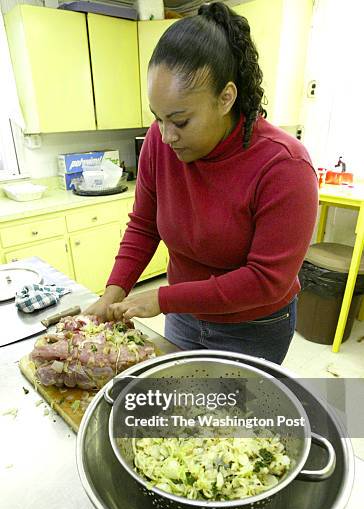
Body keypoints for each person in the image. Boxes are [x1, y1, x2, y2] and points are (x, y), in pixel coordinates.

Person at [85, 2, 318, 365]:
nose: (166, 136)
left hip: (254, 326)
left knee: (233, 420)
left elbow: (265, 280)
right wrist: (112, 293)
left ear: (226, 98)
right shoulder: (159, 144)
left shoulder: (285, 166)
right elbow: (144, 227)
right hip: (185, 316)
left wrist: (164, 299)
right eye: (158, 119)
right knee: (182, 409)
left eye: (180, 121)